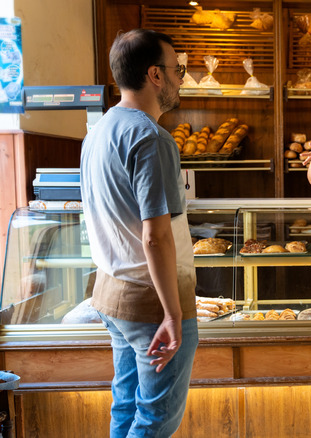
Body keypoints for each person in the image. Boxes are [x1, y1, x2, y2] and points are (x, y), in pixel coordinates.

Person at [80, 28, 198, 437]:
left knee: (126, 408)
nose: (181, 78)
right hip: (150, 302)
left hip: (111, 292)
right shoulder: (152, 138)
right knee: (154, 420)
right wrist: (172, 313)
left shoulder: (98, 132)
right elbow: (156, 237)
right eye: (177, 69)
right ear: (155, 75)